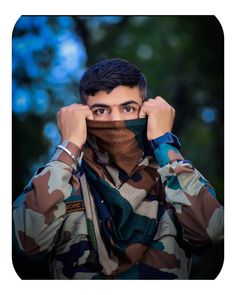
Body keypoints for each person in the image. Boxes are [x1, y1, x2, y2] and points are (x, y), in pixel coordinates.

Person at [13, 58, 223, 279]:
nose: (116, 120)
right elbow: (24, 244)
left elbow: (211, 233)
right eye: (101, 111)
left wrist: (164, 142)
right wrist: (69, 146)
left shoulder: (171, 178)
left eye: (128, 108)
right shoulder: (64, 181)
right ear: (83, 116)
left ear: (146, 112)